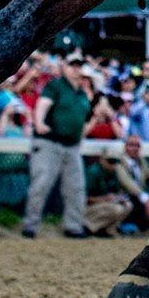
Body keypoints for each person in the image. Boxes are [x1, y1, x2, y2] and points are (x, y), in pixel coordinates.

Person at [22, 47, 91, 239]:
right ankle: (30, 225)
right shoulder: (55, 86)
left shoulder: (82, 93)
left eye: (79, 66)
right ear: (65, 67)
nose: (76, 69)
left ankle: (73, 226)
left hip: (73, 145)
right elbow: (43, 104)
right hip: (49, 142)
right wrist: (39, 122)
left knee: (76, 187)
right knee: (41, 184)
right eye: (73, 65)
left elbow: (82, 119)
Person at [85, 133, 149, 236]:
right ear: (125, 147)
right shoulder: (118, 163)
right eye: (131, 145)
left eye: (137, 145)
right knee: (128, 204)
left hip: (127, 198)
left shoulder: (140, 161)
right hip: (129, 197)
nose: (134, 148)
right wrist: (146, 199)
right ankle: (97, 228)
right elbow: (128, 184)